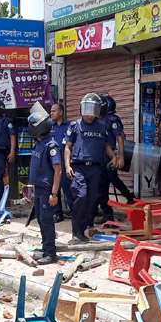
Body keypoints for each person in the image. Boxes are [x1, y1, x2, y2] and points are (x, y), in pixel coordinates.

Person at [65, 93, 118, 243]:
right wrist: (68, 165)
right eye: (87, 110)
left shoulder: (102, 126)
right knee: (81, 197)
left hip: (96, 168)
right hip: (79, 168)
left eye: (92, 111)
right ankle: (76, 231)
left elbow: (107, 145)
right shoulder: (75, 125)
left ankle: (82, 231)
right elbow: (68, 147)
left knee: (92, 200)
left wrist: (113, 157)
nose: (89, 115)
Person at [28, 111, 62, 264]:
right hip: (39, 189)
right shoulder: (39, 143)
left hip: (48, 190)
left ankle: (50, 253)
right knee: (41, 219)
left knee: (47, 220)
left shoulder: (51, 146)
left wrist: (54, 193)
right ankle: (45, 247)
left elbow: (58, 170)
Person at [95, 95, 132, 224]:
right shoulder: (100, 119)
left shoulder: (112, 119)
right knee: (106, 183)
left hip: (109, 158)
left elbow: (120, 138)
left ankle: (108, 212)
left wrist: (120, 157)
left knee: (104, 185)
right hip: (101, 157)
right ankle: (108, 210)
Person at [50, 102, 71, 222]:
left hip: (66, 163)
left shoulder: (70, 126)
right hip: (53, 163)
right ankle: (57, 213)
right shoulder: (49, 126)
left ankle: (74, 212)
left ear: (61, 112)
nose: (51, 113)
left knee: (69, 189)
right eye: (51, 111)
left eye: (54, 111)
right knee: (55, 189)